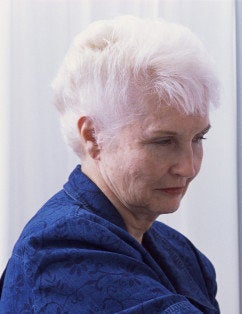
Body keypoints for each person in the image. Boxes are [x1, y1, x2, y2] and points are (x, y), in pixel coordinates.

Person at [0, 15, 220, 313]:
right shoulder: (62, 248)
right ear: (92, 136)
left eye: (197, 139)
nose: (188, 167)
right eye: (162, 142)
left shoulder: (182, 253)